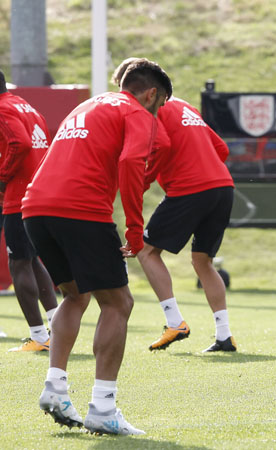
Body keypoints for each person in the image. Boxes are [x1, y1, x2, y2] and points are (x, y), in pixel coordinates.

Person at [25, 58, 171, 434]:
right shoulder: (137, 111)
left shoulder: (88, 105)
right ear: (151, 94)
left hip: (36, 208)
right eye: (161, 105)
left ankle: (55, 387)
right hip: (81, 210)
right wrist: (136, 228)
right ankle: (103, 408)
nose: (159, 114)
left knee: (75, 296)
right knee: (119, 302)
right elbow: (131, 162)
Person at [106, 58, 237, 353]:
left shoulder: (151, 110)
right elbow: (222, 148)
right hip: (223, 187)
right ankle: (224, 335)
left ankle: (174, 322)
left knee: (147, 250)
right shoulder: (186, 106)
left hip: (190, 188)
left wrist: (146, 179)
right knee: (202, 261)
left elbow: (162, 144)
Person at [0, 69, 59, 352]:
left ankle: (39, 337)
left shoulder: (2, 109)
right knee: (33, 261)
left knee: (19, 264)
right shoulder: (26, 107)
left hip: (18, 196)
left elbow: (19, 143)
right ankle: (56, 327)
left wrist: (2, 177)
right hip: (38, 193)